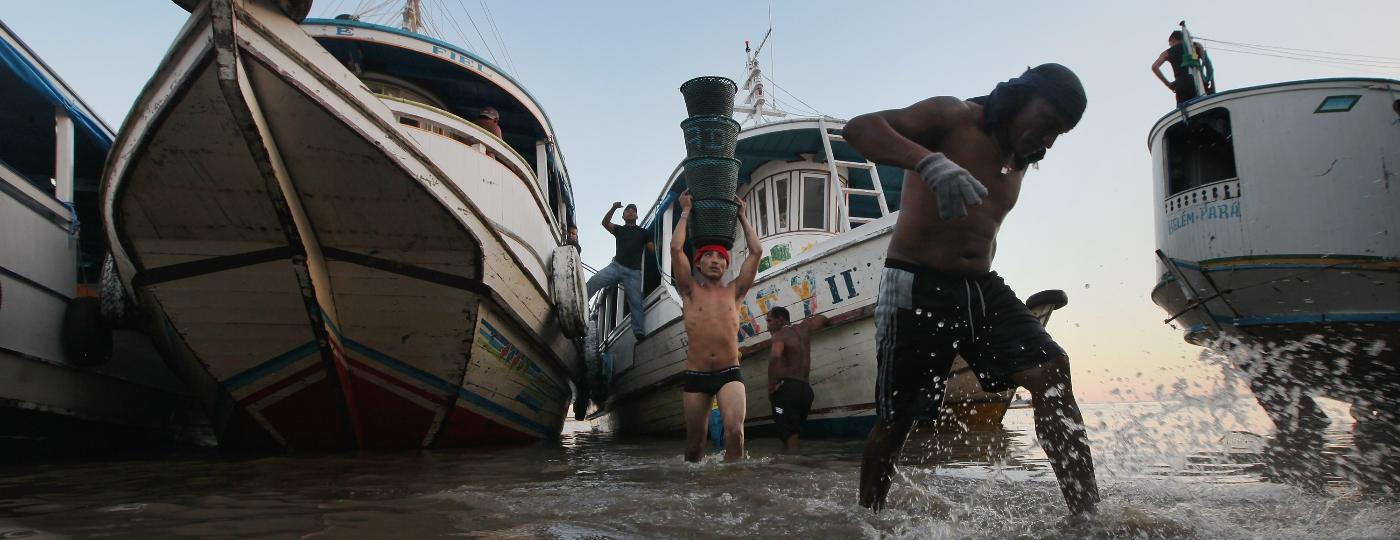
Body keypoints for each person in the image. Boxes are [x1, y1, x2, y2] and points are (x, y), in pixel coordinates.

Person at [843, 63, 1099, 515]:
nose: (1047, 141)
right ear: (1022, 97)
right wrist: (929, 161)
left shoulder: (1019, 158)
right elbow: (859, 129)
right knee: (897, 420)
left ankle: (1088, 516)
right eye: (1047, 123)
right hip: (914, 283)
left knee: (1052, 369)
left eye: (1058, 133)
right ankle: (868, 516)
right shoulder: (953, 117)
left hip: (979, 288)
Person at [671, 191, 762, 461]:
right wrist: (685, 211)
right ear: (697, 263)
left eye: (720, 257)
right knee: (695, 444)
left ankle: (731, 491)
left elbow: (756, 251)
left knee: (736, 433)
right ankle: (694, 495)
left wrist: (743, 216)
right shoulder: (689, 291)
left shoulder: (735, 292)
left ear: (726, 264)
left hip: (729, 372)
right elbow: (676, 249)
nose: (715, 260)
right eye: (708, 256)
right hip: (696, 376)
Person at [764, 306, 829, 451]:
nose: (767, 327)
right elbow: (822, 318)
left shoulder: (779, 334)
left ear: (780, 320)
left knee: (789, 436)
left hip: (786, 390)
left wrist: (770, 387)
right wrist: (827, 323)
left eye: (769, 321)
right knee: (791, 432)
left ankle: (794, 469)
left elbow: (775, 356)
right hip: (805, 391)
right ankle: (793, 467)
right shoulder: (804, 327)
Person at [586, 202, 654, 340]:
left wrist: (655, 247)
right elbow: (605, 223)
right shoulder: (619, 229)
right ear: (623, 216)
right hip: (616, 267)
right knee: (594, 280)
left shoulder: (644, 232)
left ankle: (639, 332)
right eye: (627, 210)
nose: (630, 212)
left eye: (633, 210)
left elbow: (651, 249)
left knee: (636, 302)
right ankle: (580, 304)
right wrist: (613, 208)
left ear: (636, 215)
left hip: (634, 273)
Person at [1153, 31, 1204, 104]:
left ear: (1173, 40)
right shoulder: (1193, 48)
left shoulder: (1167, 52)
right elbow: (1204, 61)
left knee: (1184, 111)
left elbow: (1154, 67)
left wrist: (1168, 84)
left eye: (1170, 44)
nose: (1170, 46)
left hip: (1181, 83)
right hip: (1196, 81)